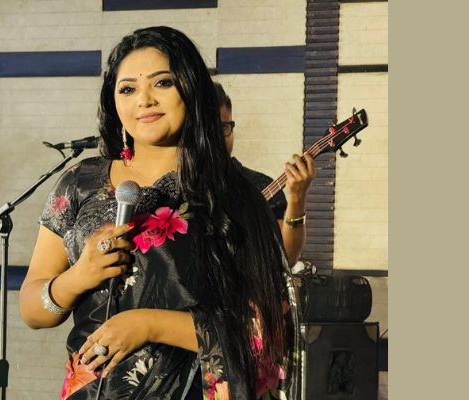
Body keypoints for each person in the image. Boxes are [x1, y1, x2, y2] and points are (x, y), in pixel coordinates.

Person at [19, 26, 291, 400]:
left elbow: (266, 328)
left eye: (162, 83)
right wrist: (79, 276)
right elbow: (32, 310)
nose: (144, 100)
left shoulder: (238, 193)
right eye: (128, 89)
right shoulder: (80, 183)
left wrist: (148, 325)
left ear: (191, 90)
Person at [213, 82, 315, 267]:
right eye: (208, 129)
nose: (217, 138)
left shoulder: (259, 184)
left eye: (224, 127)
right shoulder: (171, 187)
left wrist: (297, 198)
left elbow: (287, 257)